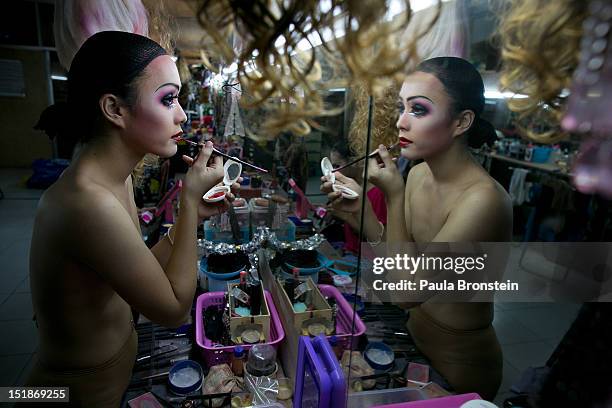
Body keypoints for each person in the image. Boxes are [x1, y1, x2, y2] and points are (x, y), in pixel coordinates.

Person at [25, 31, 238, 407]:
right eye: (168, 99)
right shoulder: (86, 203)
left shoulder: (115, 178)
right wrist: (188, 203)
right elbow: (172, 310)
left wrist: (192, 219)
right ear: (115, 109)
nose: (182, 116)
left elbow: (141, 272)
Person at [322, 57, 512, 400]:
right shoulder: (420, 173)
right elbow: (398, 261)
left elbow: (407, 293)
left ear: (462, 122)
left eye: (419, 110)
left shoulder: (483, 200)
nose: (400, 122)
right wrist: (360, 212)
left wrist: (394, 195)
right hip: (411, 343)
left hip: (459, 363)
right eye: (401, 108)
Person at [327, 141, 388, 254]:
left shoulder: (377, 193)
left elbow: (380, 238)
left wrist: (345, 216)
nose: (333, 172)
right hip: (350, 249)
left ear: (354, 162)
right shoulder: (352, 188)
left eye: (337, 166)